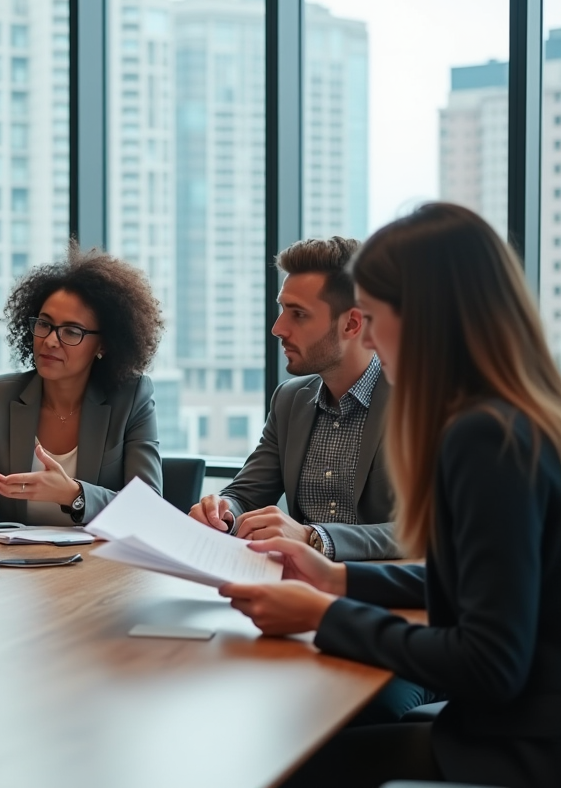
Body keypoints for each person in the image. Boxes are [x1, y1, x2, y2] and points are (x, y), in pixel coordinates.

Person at [221, 203, 561, 788]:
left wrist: (326, 614)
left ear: (429, 318)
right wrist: (339, 580)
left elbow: (490, 662)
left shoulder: (484, 438)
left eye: (375, 317)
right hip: (515, 728)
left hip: (517, 749)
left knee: (277, 763)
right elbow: (484, 587)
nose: (370, 338)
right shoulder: (515, 417)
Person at [190, 237, 400, 562]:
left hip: (380, 594)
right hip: (294, 588)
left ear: (352, 323)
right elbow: (246, 494)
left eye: (298, 314)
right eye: (282, 310)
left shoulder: (415, 404)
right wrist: (223, 510)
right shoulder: (289, 400)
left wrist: (313, 537)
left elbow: (426, 530)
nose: (278, 328)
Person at [0, 241, 164, 526]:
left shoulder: (132, 398)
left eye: (71, 331)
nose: (49, 340)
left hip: (102, 564)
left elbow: (147, 508)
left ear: (104, 345)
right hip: (20, 563)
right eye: (44, 324)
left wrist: (74, 494)